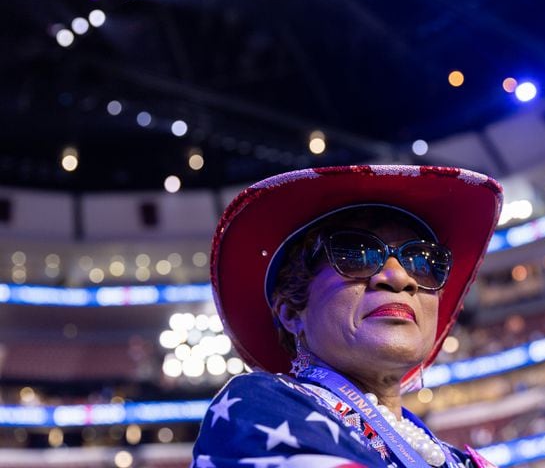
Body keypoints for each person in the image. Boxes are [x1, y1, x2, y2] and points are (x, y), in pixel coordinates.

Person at [192, 165, 502, 468]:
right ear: (290, 312)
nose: (399, 277)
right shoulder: (256, 409)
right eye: (356, 254)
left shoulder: (461, 462)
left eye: (423, 262)